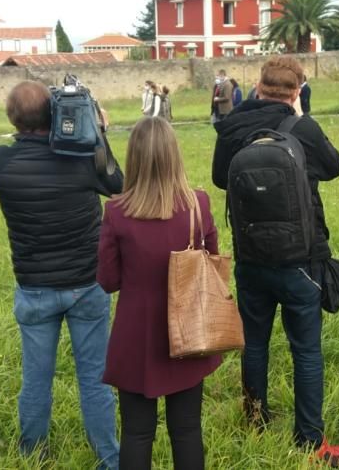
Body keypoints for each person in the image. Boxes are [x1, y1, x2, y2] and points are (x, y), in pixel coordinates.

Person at [211, 56, 339, 466]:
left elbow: (221, 178)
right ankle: (309, 437)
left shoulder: (232, 126)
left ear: (257, 86)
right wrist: (299, 117)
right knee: (306, 350)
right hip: (300, 258)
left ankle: (255, 419)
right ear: (297, 91)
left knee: (255, 343)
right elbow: (334, 167)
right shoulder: (302, 128)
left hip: (251, 255)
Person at [0, 80, 122, 467]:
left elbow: (9, 156)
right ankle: (109, 458)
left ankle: (33, 453)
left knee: (36, 378)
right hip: (86, 283)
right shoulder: (82, 160)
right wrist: (98, 133)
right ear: (57, 114)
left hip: (34, 288)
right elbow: (118, 185)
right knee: (94, 377)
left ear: (12, 118)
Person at [97, 116, 221, 470]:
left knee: (137, 433)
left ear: (133, 158)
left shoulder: (117, 212)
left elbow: (108, 280)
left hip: (136, 333)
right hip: (188, 328)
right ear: (174, 155)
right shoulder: (198, 204)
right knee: (186, 429)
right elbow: (211, 260)